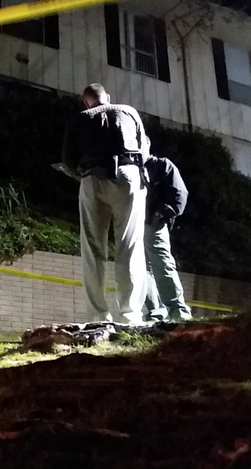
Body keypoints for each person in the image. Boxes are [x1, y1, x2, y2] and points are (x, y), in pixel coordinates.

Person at [62, 83, 150, 325]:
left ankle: (98, 316)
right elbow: (145, 149)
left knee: (92, 248)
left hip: (92, 178)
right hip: (129, 175)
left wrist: (81, 175)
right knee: (130, 245)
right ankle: (130, 315)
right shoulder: (129, 111)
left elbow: (68, 161)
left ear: (85, 101)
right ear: (108, 98)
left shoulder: (80, 119)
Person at [144, 155, 192, 321]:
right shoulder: (157, 166)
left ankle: (175, 310)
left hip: (150, 222)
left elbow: (180, 194)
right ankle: (165, 312)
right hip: (144, 222)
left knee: (159, 264)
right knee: (147, 268)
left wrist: (164, 213)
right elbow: (179, 193)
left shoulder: (161, 165)